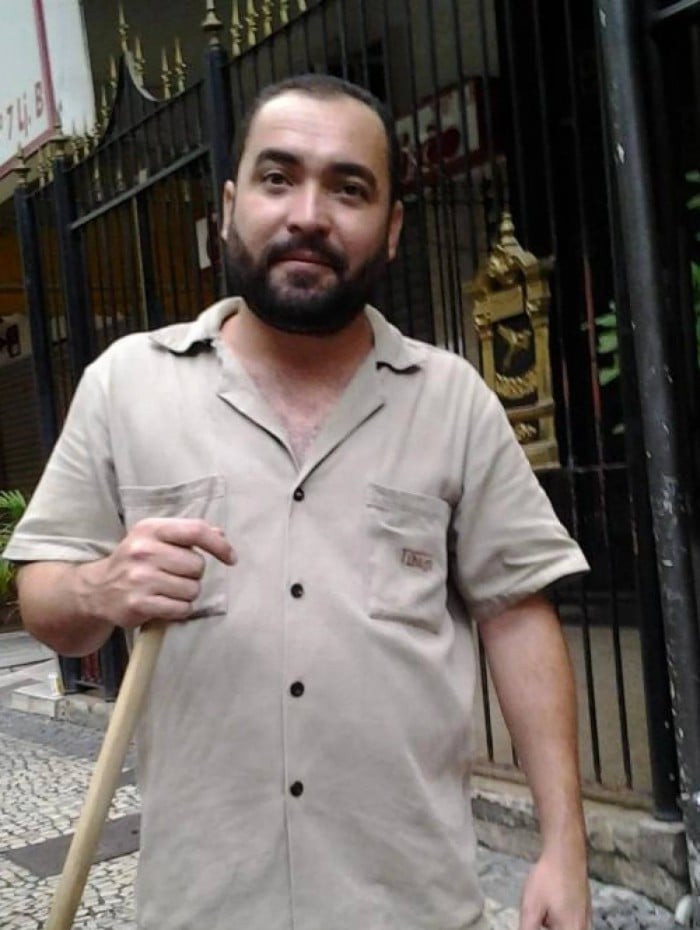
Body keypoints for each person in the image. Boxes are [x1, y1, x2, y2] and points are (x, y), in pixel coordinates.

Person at [6, 74, 591, 930]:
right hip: (205, 907)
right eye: (278, 178)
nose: (309, 214)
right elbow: (44, 600)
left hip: (412, 906)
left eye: (349, 188)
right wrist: (100, 587)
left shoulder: (453, 399)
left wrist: (564, 847)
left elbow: (517, 616)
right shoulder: (125, 384)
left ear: (392, 228)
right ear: (229, 207)